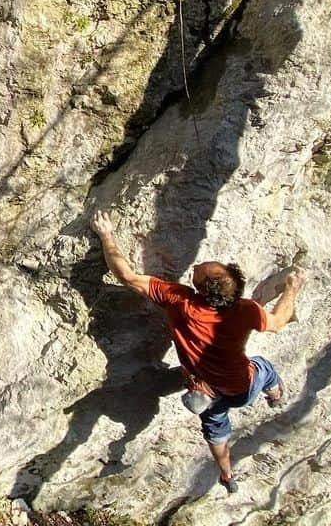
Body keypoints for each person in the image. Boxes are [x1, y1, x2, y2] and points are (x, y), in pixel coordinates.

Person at [91, 210, 306, 494]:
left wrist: (106, 234)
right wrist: (291, 289)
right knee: (263, 368)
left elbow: (127, 276)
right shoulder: (245, 310)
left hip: (210, 393)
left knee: (216, 432)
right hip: (244, 387)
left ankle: (227, 474)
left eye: (200, 269)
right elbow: (278, 322)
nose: (197, 264)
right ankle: (274, 396)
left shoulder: (182, 302)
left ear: (201, 290)